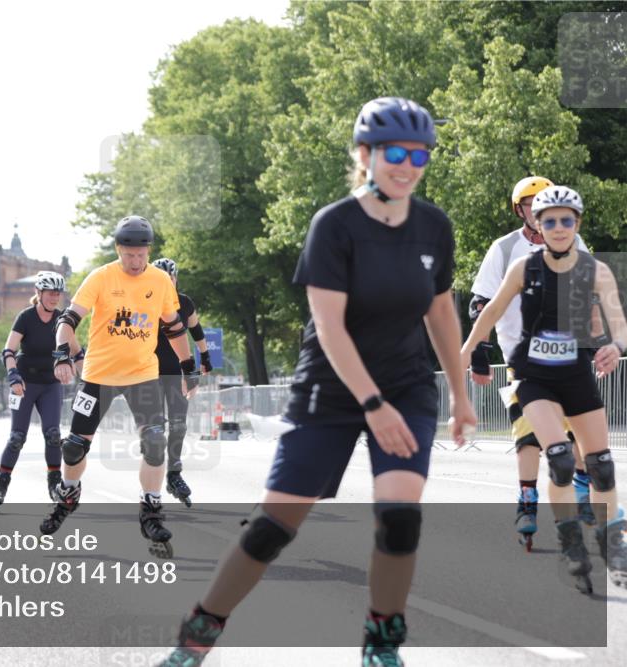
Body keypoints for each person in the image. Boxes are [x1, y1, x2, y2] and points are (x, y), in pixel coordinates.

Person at [160, 97, 476, 666]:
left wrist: (460, 392)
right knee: (273, 527)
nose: (408, 165)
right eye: (395, 153)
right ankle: (196, 638)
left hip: (404, 385)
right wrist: (371, 404)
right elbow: (330, 327)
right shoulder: (334, 226)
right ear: (365, 155)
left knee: (401, 516)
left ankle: (382, 645)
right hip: (330, 388)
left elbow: (441, 314)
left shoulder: (434, 227)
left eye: (420, 154)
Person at [462, 185, 627, 592]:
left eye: (566, 220)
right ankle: (572, 544)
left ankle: (612, 543)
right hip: (532, 375)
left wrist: (614, 345)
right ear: (535, 223)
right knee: (559, 458)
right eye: (548, 220)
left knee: (601, 466)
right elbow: (490, 311)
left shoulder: (595, 269)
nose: (557, 227)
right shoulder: (522, 267)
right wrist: (465, 353)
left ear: (577, 224)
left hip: (575, 373)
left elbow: (617, 323)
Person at [42, 215, 202, 559]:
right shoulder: (101, 277)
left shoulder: (160, 281)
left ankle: (151, 510)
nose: (136, 262)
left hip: (142, 374)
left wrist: (189, 366)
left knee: (155, 442)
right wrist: (61, 354)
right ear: (118, 250)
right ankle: (69, 493)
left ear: (149, 251)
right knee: (73, 449)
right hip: (98, 376)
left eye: (142, 255)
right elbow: (68, 319)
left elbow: (174, 327)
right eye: (130, 255)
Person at [469, 176, 593, 549]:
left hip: (568, 353)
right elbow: (481, 303)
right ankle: (527, 500)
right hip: (522, 359)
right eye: (530, 204)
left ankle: (583, 490)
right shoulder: (505, 248)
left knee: (579, 433)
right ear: (521, 210)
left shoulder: (571, 240)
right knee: (528, 438)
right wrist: (478, 352)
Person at [0, 271, 82, 512]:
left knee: (53, 434)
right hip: (25, 384)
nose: (55, 297)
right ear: (38, 293)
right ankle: (1, 483)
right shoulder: (26, 317)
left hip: (50, 384)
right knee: (17, 438)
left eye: (58, 293)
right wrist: (13, 377)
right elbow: (8, 351)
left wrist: (88, 380)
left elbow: (77, 351)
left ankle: (54, 485)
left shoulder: (63, 319)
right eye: (50, 293)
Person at [152, 257, 211, 507]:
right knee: (154, 431)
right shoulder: (145, 301)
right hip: (149, 373)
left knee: (178, 425)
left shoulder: (184, 303)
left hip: (177, 372)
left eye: (171, 277)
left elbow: (196, 330)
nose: (167, 282)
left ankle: (174, 474)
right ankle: (150, 486)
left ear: (176, 279)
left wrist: (205, 356)